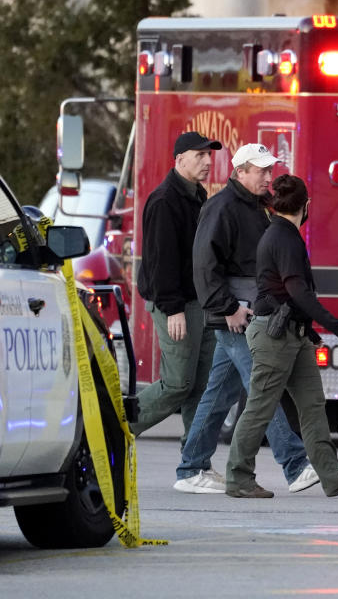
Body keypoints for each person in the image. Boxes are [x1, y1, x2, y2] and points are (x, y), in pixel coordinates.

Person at [173, 144, 320, 494]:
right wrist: (228, 309)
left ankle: (191, 468)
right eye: (261, 171)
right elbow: (204, 265)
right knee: (262, 387)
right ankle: (296, 464)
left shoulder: (258, 207)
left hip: (247, 312)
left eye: (270, 170)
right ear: (241, 172)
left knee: (220, 394)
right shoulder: (221, 208)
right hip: (235, 315)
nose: (268, 177)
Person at [225, 174, 338, 498]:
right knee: (260, 408)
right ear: (307, 205)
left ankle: (333, 477)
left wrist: (311, 333)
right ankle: (238, 478)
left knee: (312, 405)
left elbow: (292, 297)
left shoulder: (282, 234)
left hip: (293, 333)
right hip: (274, 337)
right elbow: (299, 292)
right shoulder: (284, 238)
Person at [130, 132, 218, 448]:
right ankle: (120, 425)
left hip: (201, 302)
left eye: (209, 156)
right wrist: (173, 308)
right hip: (175, 304)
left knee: (203, 384)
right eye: (200, 156)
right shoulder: (165, 200)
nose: (208, 162)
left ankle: (195, 461)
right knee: (178, 383)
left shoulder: (197, 196)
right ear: (180, 160)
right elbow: (160, 260)